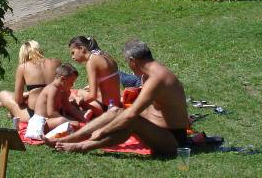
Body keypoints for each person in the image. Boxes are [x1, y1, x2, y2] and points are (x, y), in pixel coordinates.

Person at [51, 39, 191, 155]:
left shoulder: (156, 79)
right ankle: (70, 139)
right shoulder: (153, 72)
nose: (129, 67)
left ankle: (83, 146)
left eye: (128, 63)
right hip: (158, 130)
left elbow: (131, 115)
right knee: (115, 111)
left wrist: (103, 131)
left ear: (132, 60)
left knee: (131, 120)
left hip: (173, 141)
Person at [0, 40, 61, 122]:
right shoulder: (57, 62)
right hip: (57, 111)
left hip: (34, 115)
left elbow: (18, 100)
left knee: (4, 94)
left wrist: (28, 94)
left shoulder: (23, 67)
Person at [25, 63, 86, 140]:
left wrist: (83, 118)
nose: (72, 85)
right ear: (63, 79)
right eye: (71, 82)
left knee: (75, 118)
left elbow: (69, 107)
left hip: (51, 120)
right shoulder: (53, 90)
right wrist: (69, 121)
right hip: (41, 124)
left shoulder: (61, 90)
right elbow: (51, 113)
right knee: (63, 121)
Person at [68, 36, 121, 118]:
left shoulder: (91, 62)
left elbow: (92, 96)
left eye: (73, 53)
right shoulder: (104, 54)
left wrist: (78, 102)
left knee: (73, 95)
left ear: (81, 48)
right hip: (116, 103)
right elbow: (108, 81)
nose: (72, 57)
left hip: (106, 107)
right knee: (81, 91)